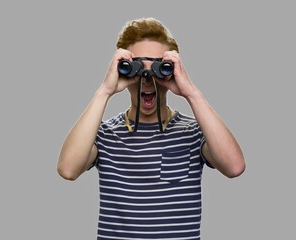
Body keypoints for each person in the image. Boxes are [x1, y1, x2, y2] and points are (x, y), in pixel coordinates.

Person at [57, 17, 245, 240]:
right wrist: (104, 92)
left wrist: (192, 93)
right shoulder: (105, 135)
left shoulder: (193, 133)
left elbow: (234, 167)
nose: (147, 79)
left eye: (159, 67)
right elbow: (68, 170)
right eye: (135, 67)